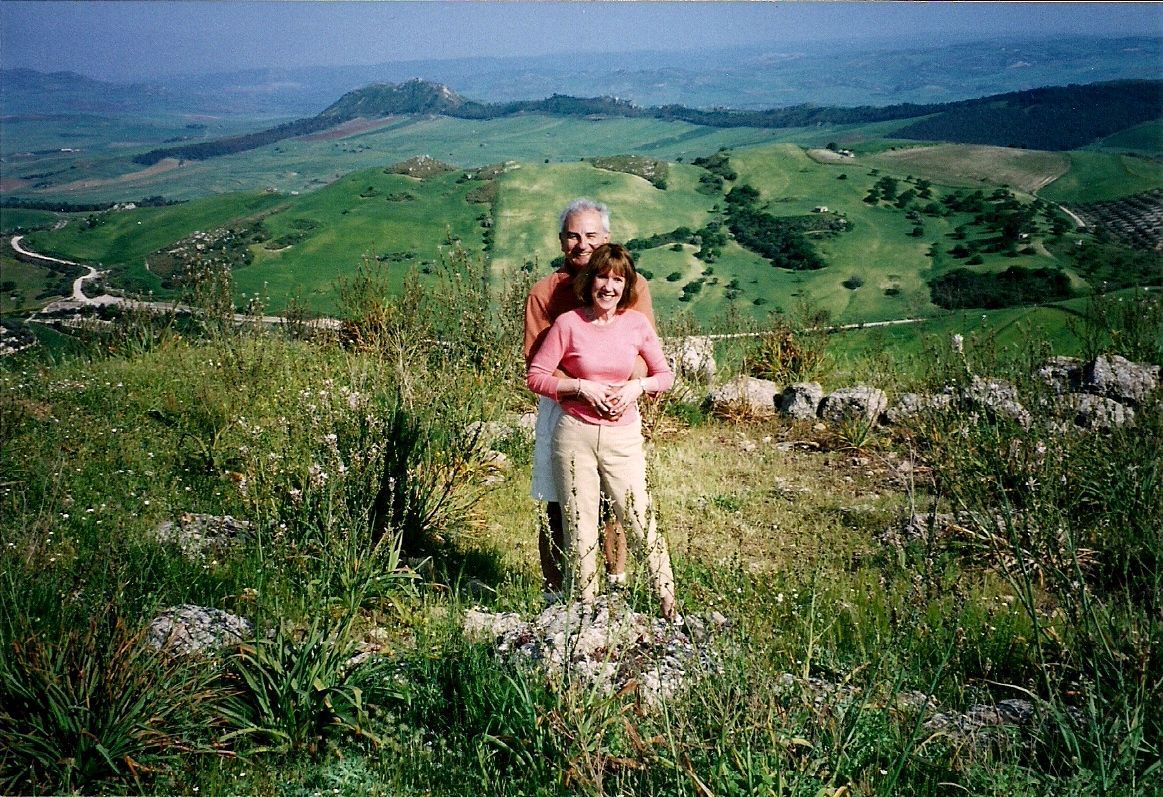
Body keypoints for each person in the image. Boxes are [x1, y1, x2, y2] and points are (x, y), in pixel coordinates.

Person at [527, 243, 677, 619]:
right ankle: (586, 612)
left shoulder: (636, 325)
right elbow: (536, 376)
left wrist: (634, 388)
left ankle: (668, 604)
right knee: (578, 523)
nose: (608, 287)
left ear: (626, 286)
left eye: (617, 279)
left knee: (640, 516)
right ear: (588, 281)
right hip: (573, 434)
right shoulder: (568, 324)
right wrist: (579, 387)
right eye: (601, 277)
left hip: (622, 437)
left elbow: (665, 375)